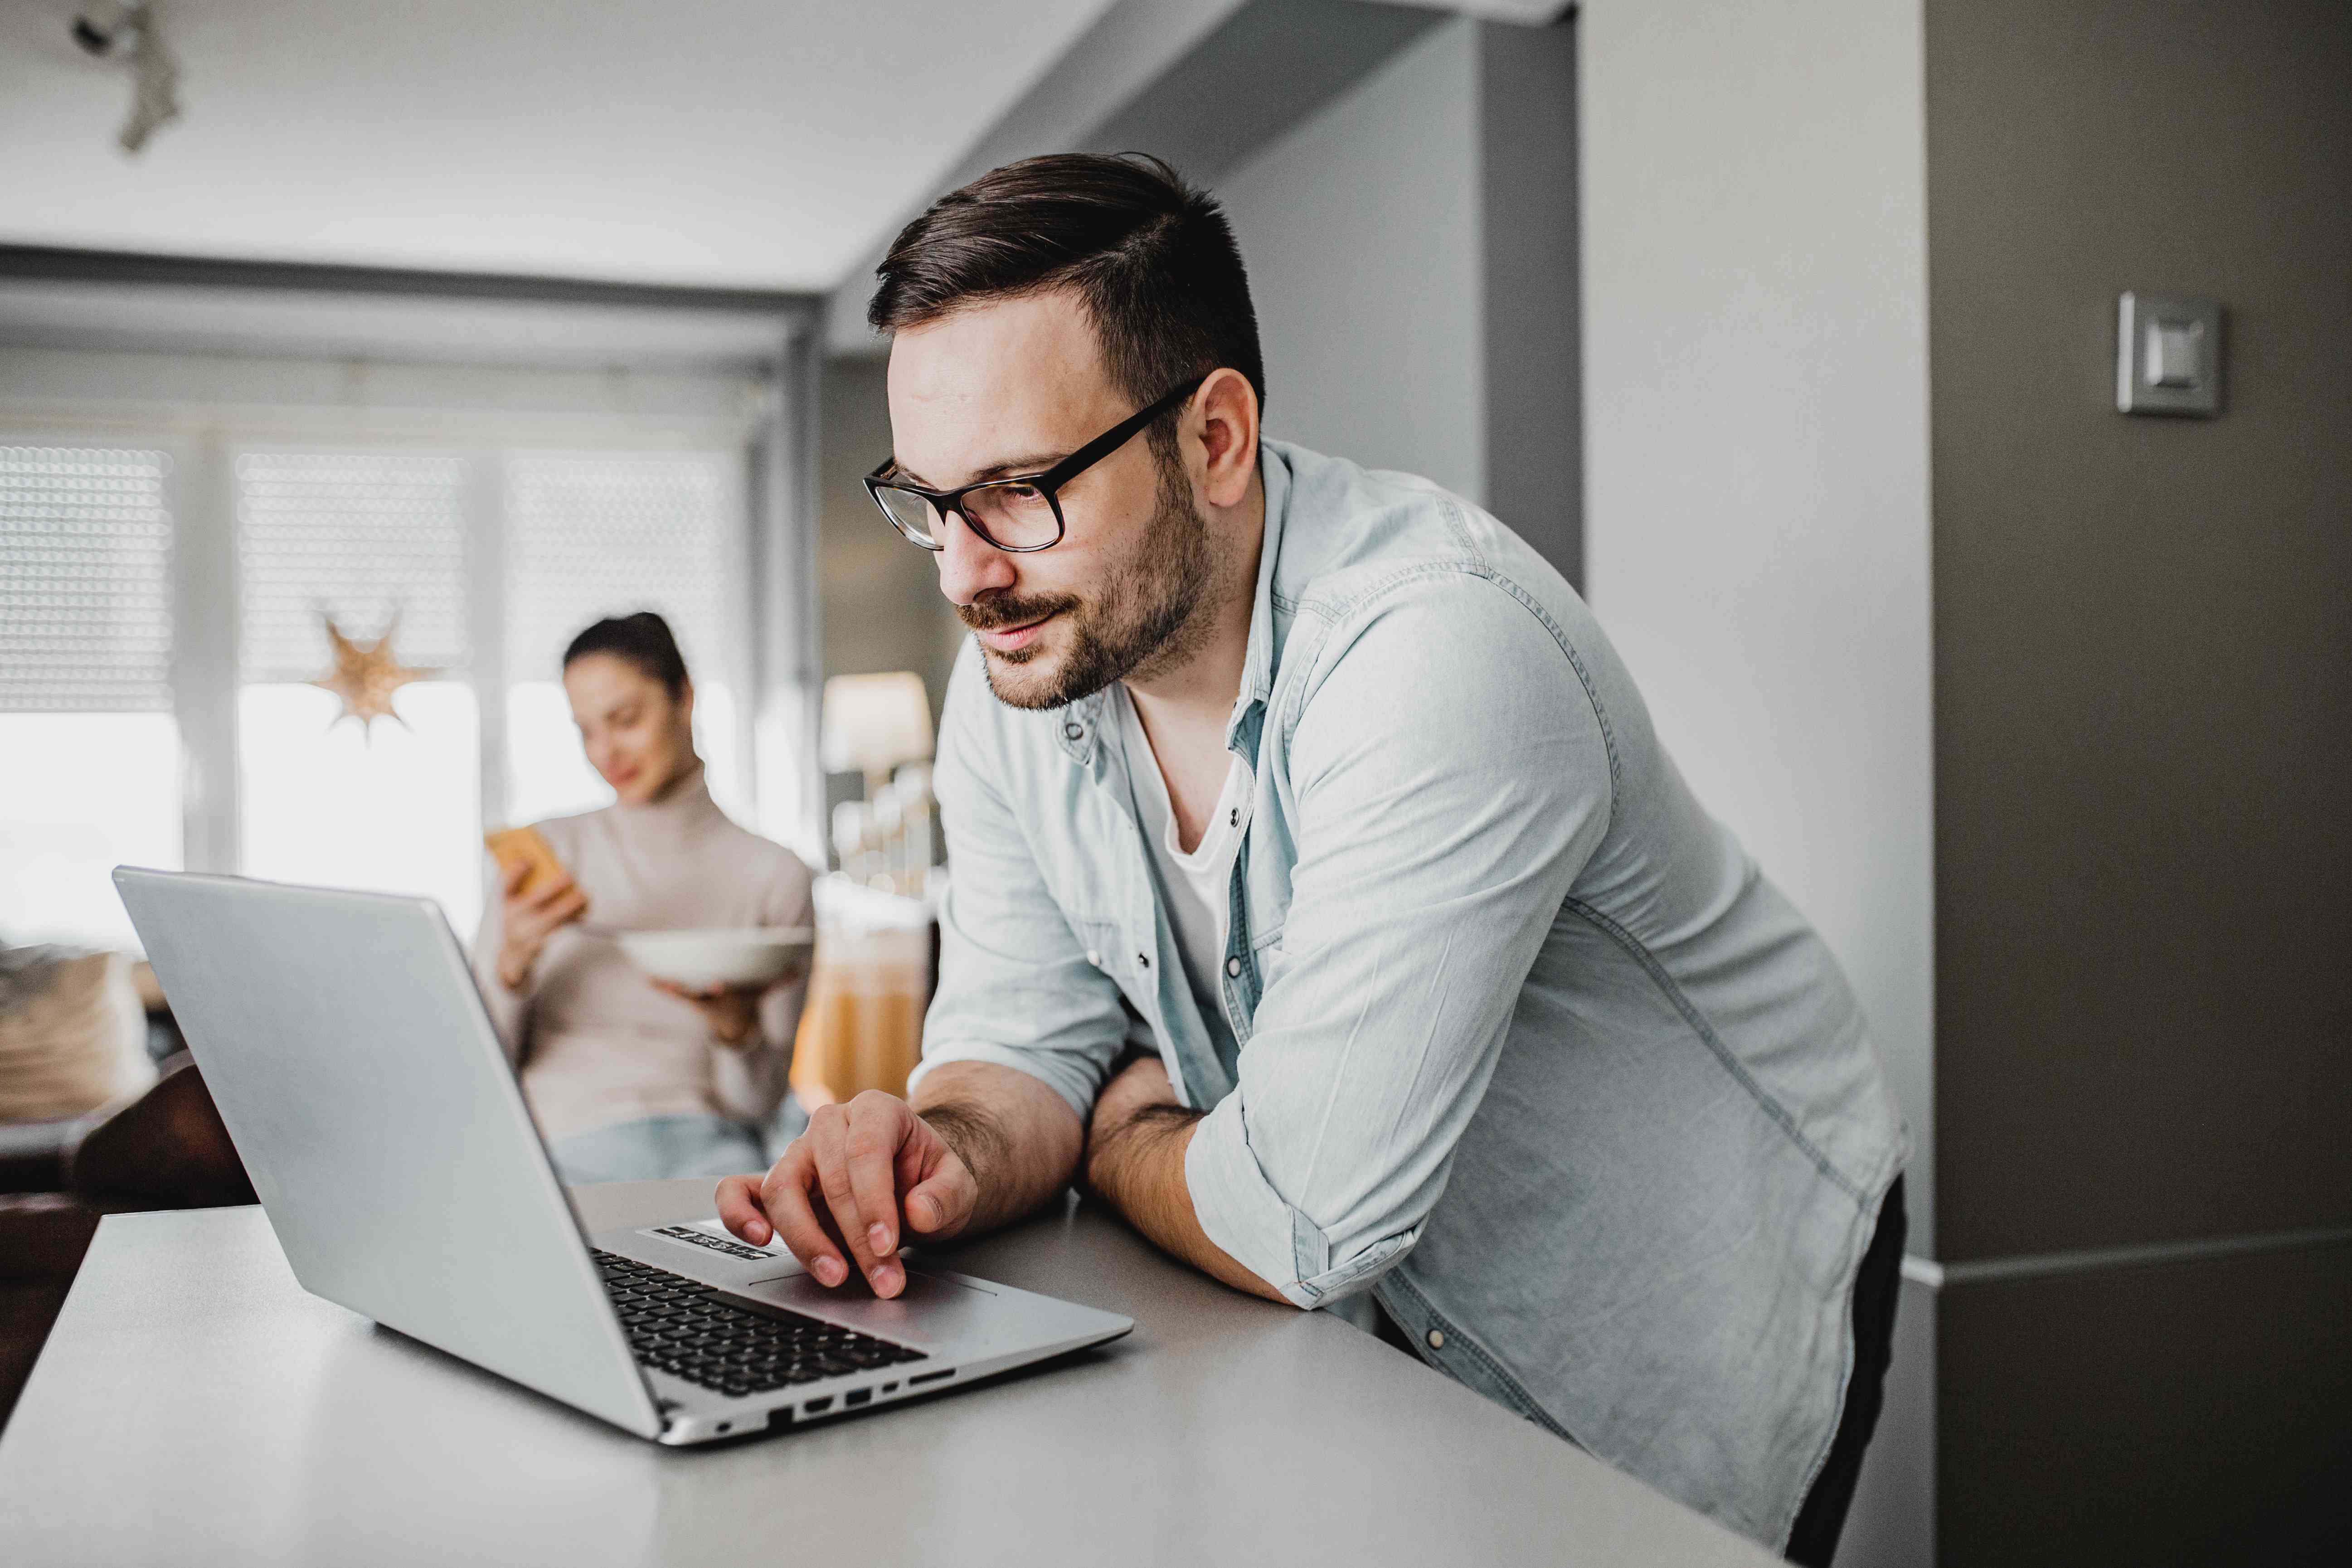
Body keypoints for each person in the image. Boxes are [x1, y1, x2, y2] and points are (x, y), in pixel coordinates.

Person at [715, 154, 1908, 1563]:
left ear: (1214, 436)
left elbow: (1304, 1221)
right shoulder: (1017, 679)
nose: (964, 574)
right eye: (928, 501)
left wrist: (1121, 1131)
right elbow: (1021, 1044)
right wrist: (945, 1155)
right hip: (1384, 1311)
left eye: (1021, 489)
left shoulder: (1439, 655)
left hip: (1690, 1278)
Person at [471, 612, 812, 1183]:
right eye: (585, 730)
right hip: (560, 1154)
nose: (605, 751)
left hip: (711, 1156)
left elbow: (755, 1105)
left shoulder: (775, 875)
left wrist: (737, 1030)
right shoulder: (545, 857)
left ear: (685, 698)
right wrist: (510, 969)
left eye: (624, 719)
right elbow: (481, 1081)